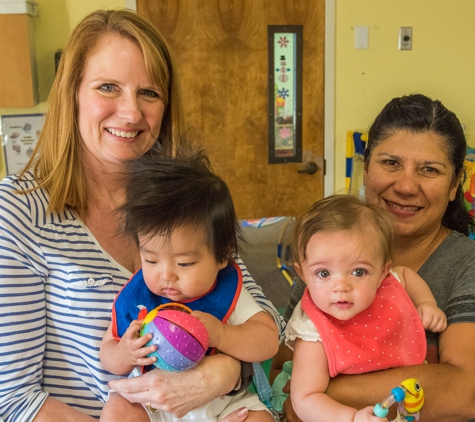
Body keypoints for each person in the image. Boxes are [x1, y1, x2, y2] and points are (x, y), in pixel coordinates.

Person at [0, 9, 283, 422]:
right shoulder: (19, 211)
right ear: (72, 93)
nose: (131, 113)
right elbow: (12, 399)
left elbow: (261, 320)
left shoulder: (184, 202)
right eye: (108, 87)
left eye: (149, 93)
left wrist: (222, 375)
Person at [271, 94, 475, 422]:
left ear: (454, 185)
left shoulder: (466, 265)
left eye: (429, 170)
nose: (407, 185)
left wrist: (315, 397)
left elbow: (465, 392)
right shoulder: (328, 256)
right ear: (366, 170)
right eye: (391, 163)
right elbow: (282, 369)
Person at [99, 152, 279, 421]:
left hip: (221, 402)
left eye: (184, 264)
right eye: (151, 259)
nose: (166, 275)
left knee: (256, 418)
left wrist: (221, 335)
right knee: (118, 410)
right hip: (151, 406)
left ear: (223, 255)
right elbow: (107, 353)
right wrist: (125, 352)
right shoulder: (139, 296)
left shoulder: (225, 290)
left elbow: (268, 342)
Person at [286, 194, 446, 422]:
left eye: (358, 272)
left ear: (383, 271)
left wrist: (426, 303)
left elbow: (406, 276)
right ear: (302, 275)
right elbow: (304, 398)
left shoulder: (389, 284)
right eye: (323, 273)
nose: (341, 287)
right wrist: (351, 418)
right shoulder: (313, 331)